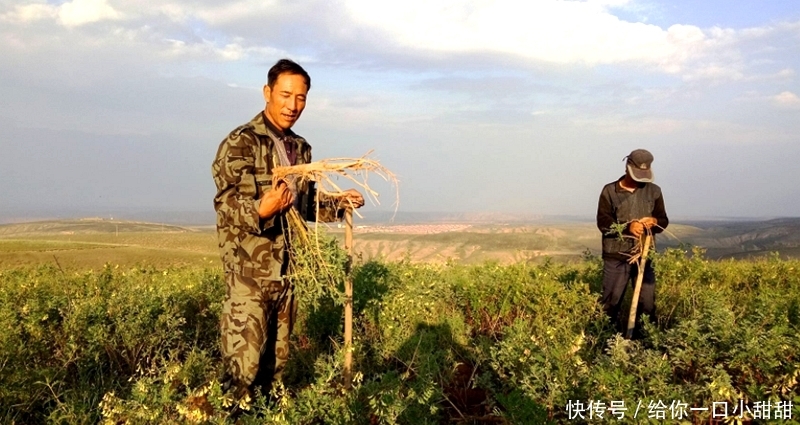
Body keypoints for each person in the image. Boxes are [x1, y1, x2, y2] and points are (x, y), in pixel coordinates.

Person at [211, 58, 364, 398]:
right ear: (267, 93)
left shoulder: (300, 148)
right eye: (285, 95)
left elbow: (304, 205)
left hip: (287, 273)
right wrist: (259, 209)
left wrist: (339, 204)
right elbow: (226, 205)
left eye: (301, 98)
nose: (293, 105)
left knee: (276, 366)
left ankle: (267, 416)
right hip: (248, 276)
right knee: (243, 369)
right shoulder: (241, 143)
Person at [596, 148, 668, 338]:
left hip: (644, 255)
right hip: (616, 257)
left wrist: (654, 222)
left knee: (647, 303)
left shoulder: (654, 191)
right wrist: (627, 227)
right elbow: (603, 223)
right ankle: (606, 342)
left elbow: (663, 221)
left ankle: (644, 343)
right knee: (611, 303)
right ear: (628, 167)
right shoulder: (609, 191)